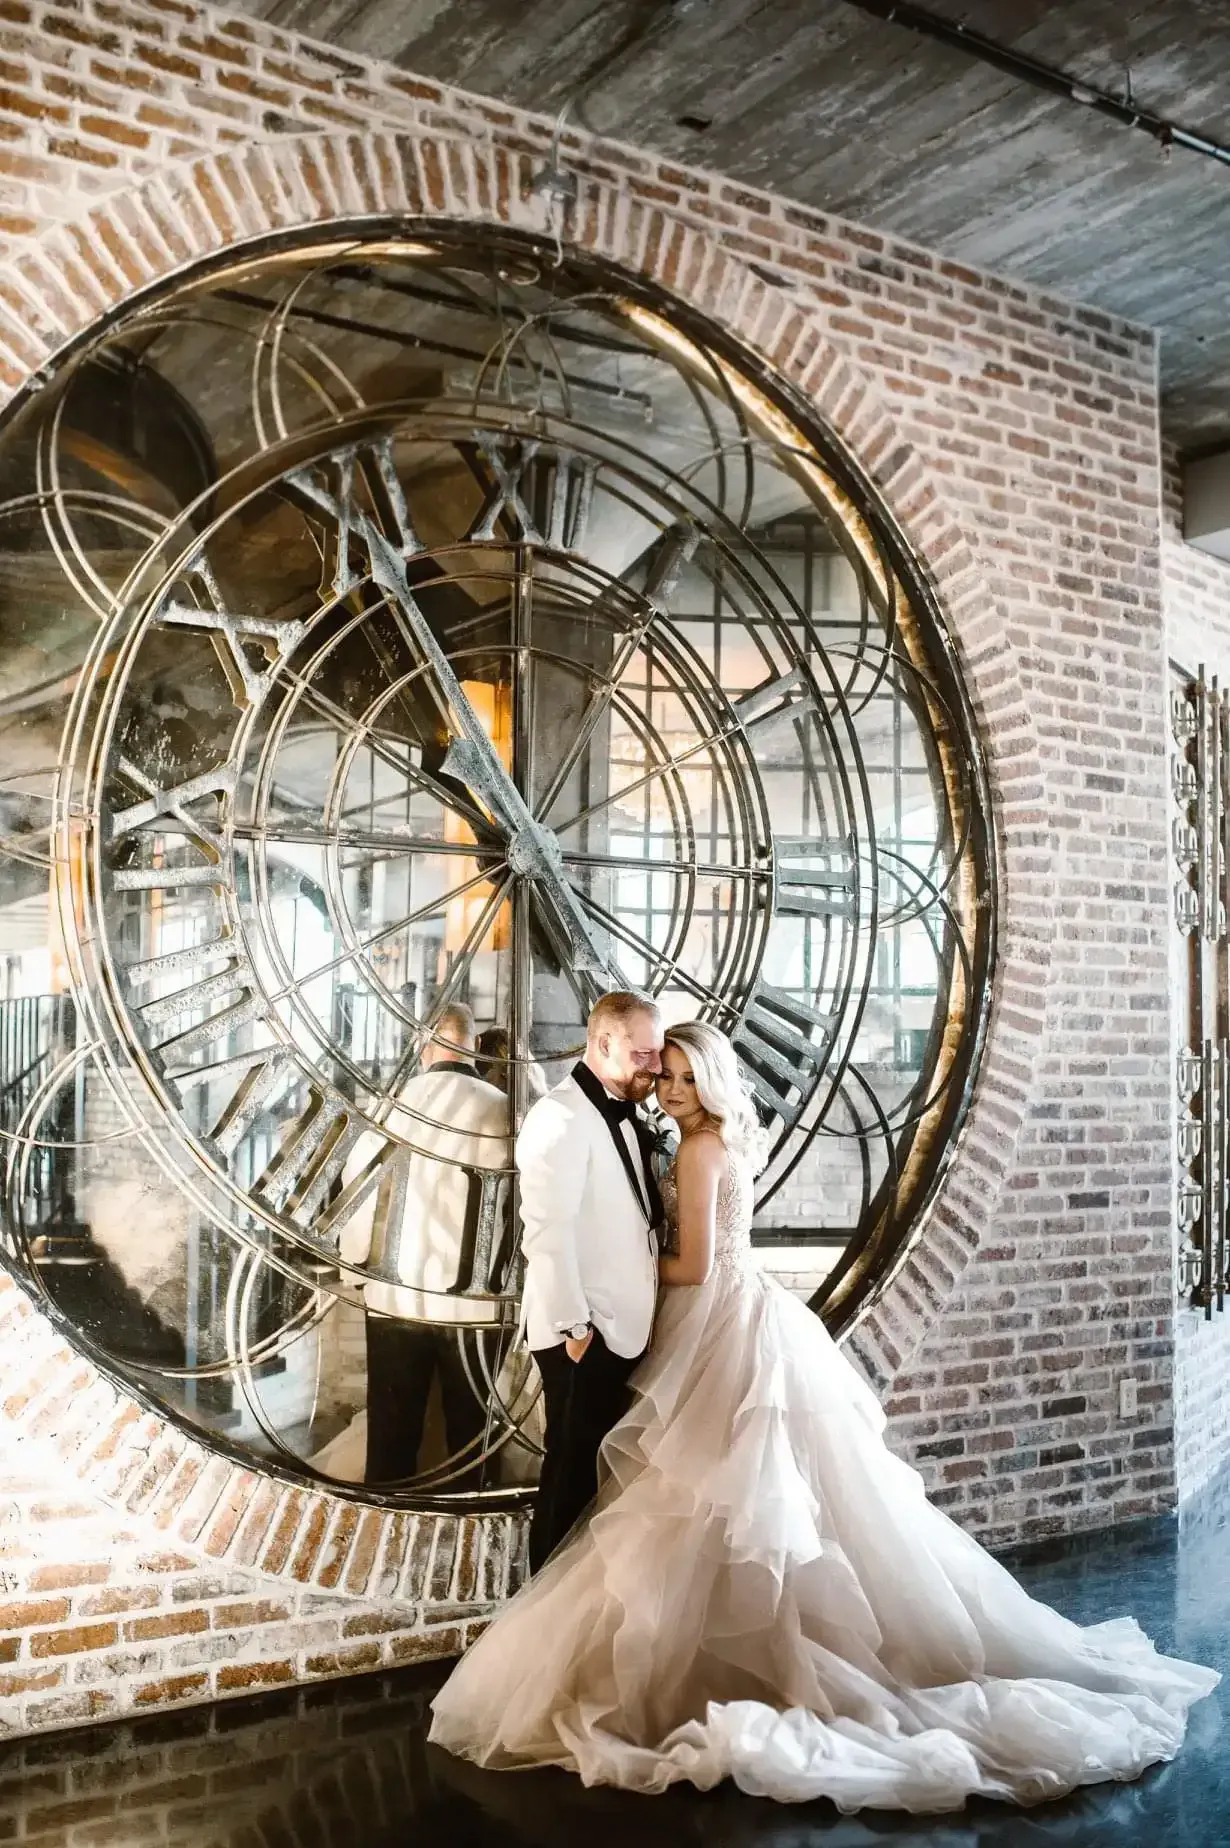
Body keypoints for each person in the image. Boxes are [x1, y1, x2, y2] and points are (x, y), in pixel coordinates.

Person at [429, 1021, 1220, 1812]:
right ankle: (736, 1645)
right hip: (730, 1314)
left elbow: (695, 1263)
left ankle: (732, 1658)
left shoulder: (702, 1150)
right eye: (663, 1076)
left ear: (706, 1081)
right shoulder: (712, 1142)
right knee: (725, 1498)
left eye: (679, 1078)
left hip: (710, 1318)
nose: (668, 1090)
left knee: (712, 1494)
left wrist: (624, 1265)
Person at [517, 990, 665, 1575]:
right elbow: (545, 1232)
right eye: (644, 1054)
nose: (653, 1069)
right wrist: (577, 1328)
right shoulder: (559, 1115)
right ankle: (535, 1624)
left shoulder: (624, 1112)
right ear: (603, 1042)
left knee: (596, 1489)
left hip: (619, 1331)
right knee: (568, 1481)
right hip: (584, 1335)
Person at [336, 1002, 512, 1489]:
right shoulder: (504, 1111)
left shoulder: (388, 1109)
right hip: (475, 1307)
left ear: (422, 1047)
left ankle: (384, 1540)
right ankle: (470, 1548)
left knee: (391, 1438)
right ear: (474, 1047)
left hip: (397, 1298)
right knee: (472, 1445)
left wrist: (358, 1275)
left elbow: (357, 1193)